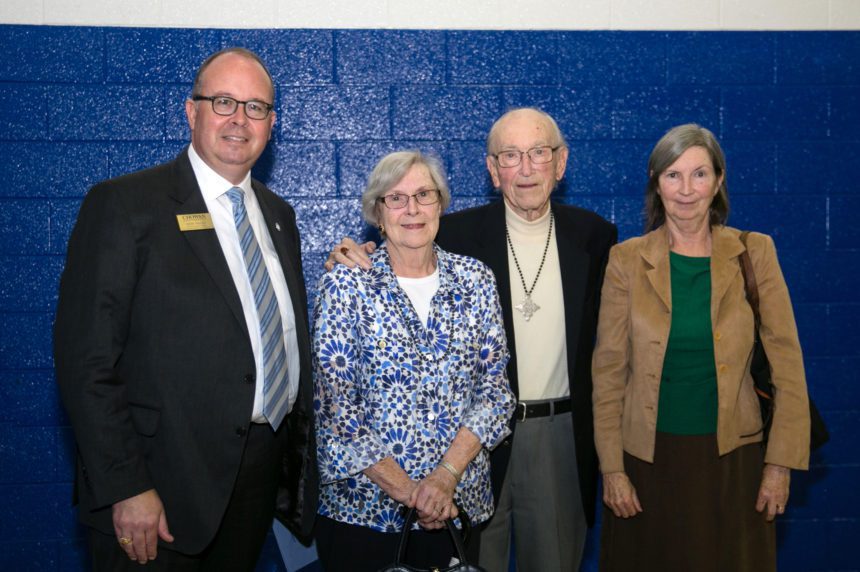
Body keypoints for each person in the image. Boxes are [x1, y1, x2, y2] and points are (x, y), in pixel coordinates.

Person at [53, 47, 318, 570]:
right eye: (223, 102)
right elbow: (86, 362)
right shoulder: (125, 205)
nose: (240, 120)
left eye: (256, 107)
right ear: (191, 110)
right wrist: (125, 487)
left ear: (272, 123)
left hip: (254, 484)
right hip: (158, 492)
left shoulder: (278, 215)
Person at [326, 108, 617, 571]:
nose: (524, 169)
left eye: (538, 153)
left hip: (555, 436)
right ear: (492, 169)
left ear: (560, 164)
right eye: (509, 155)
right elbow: (401, 244)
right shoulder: (454, 233)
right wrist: (350, 253)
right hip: (475, 458)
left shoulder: (596, 236)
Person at [592, 123, 811, 571]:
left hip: (735, 462)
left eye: (699, 174)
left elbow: (788, 364)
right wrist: (612, 470)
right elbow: (609, 373)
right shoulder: (627, 260)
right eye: (673, 175)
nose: (686, 189)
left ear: (719, 180)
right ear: (656, 183)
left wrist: (779, 465)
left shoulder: (755, 252)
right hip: (645, 463)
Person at [313, 150, 515, 571]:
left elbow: (495, 393)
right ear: (377, 213)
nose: (412, 209)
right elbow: (337, 409)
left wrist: (443, 481)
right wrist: (414, 494)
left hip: (455, 510)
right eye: (396, 198)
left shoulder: (476, 280)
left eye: (424, 194)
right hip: (365, 514)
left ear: (440, 203)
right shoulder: (346, 284)